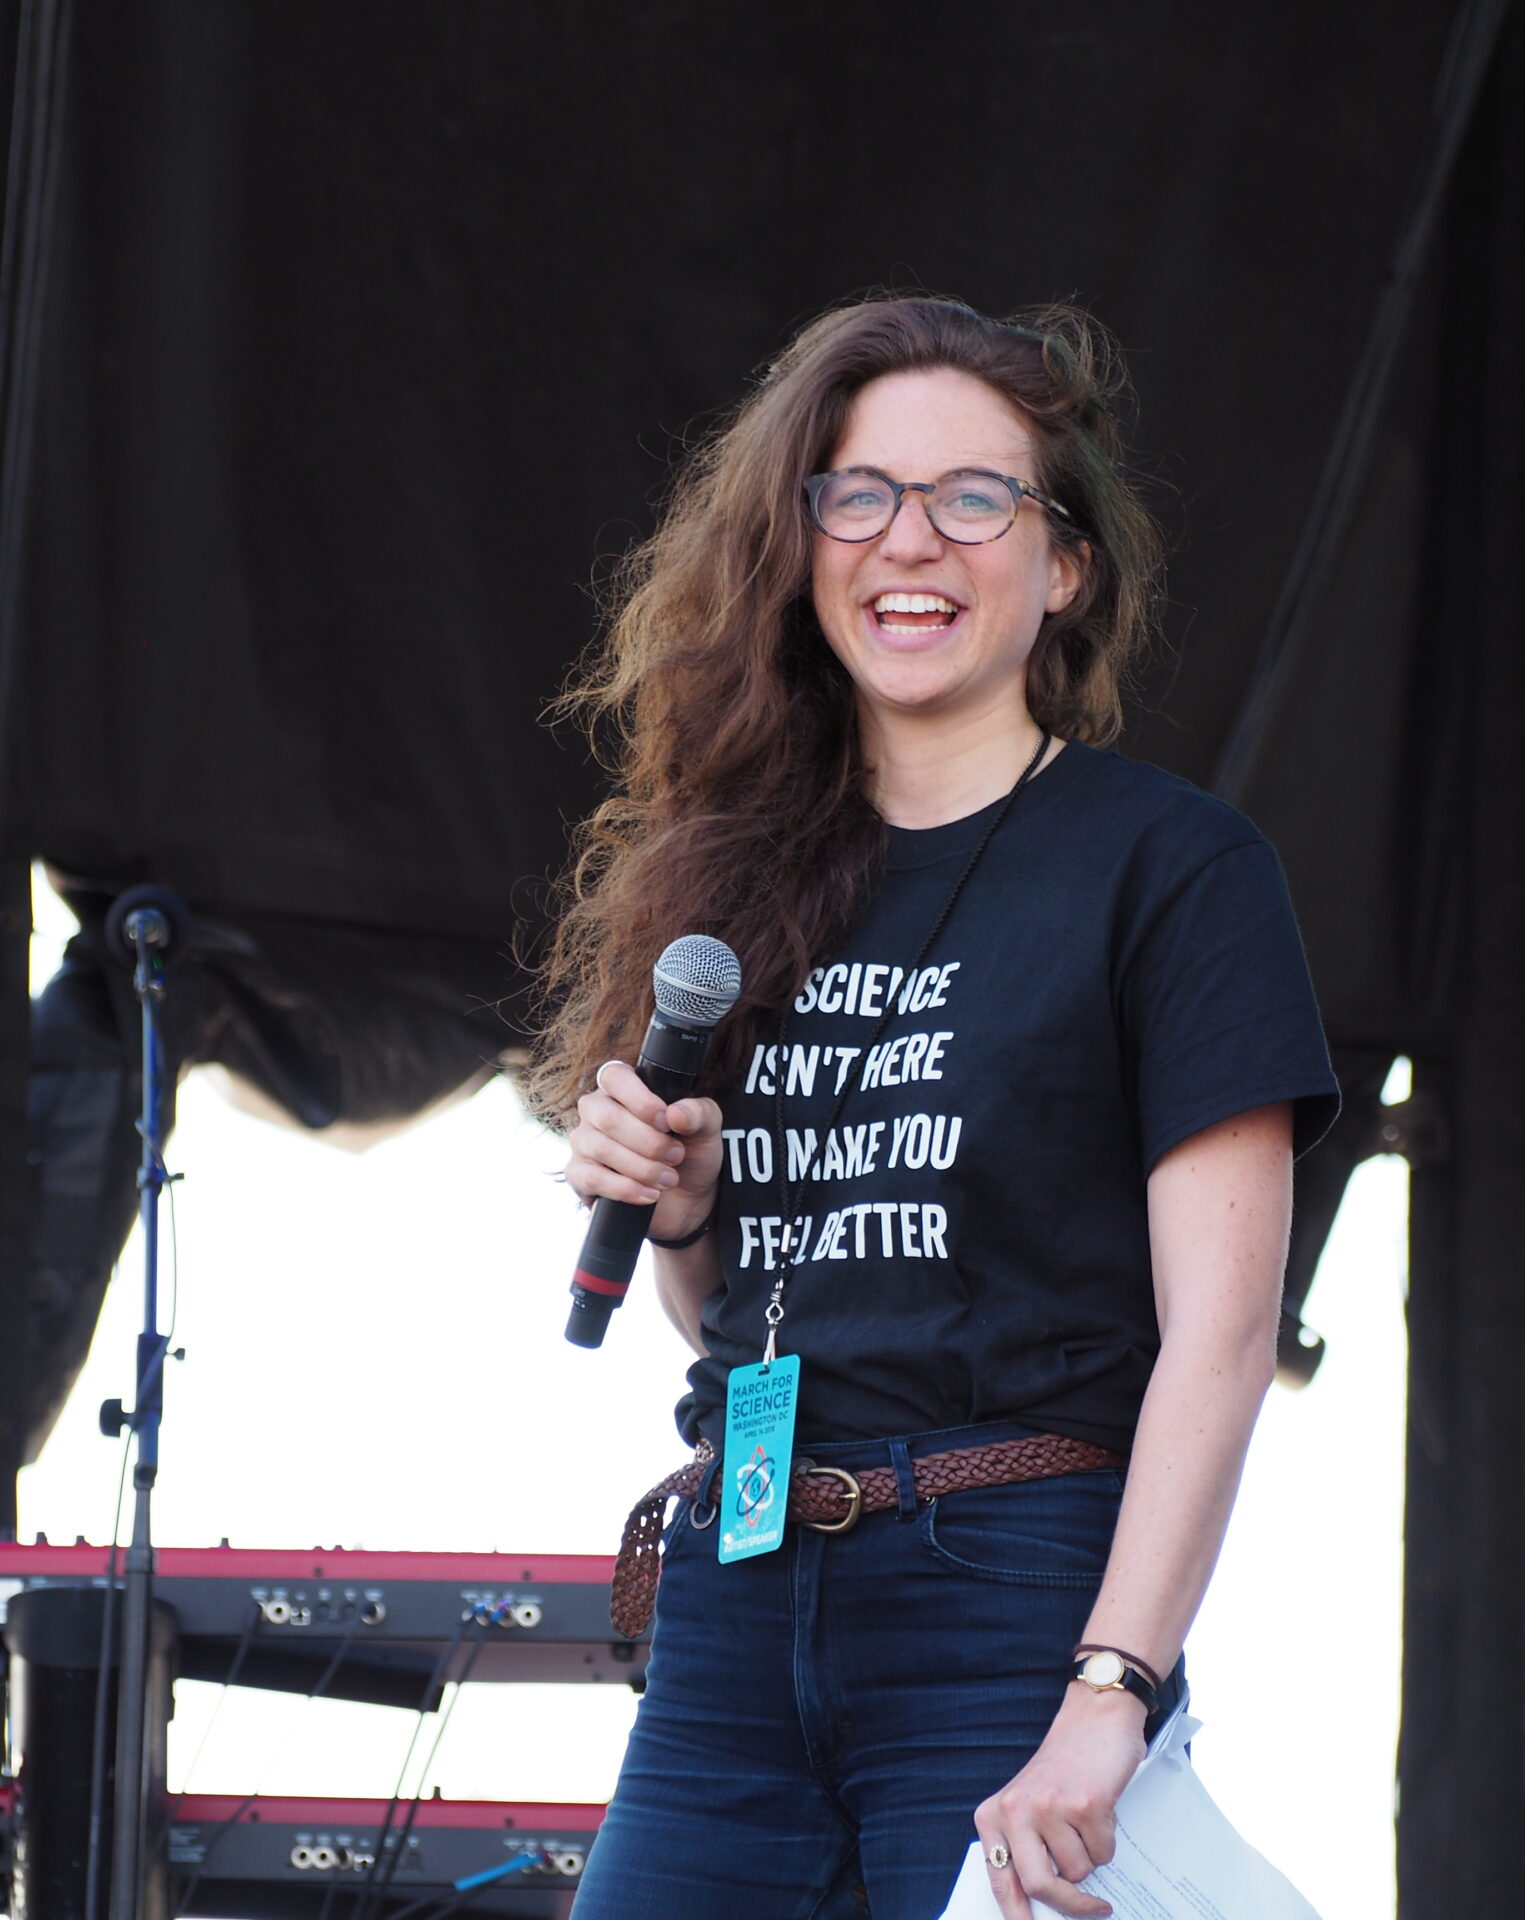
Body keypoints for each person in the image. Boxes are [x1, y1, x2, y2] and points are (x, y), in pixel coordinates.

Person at [532, 295, 1338, 1920]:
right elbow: (741, 1319)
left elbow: (1223, 1336)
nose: (914, 539)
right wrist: (685, 1215)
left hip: (1012, 1582)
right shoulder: (732, 873)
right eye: (860, 492)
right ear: (800, 538)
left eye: (977, 498)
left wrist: (1110, 1694)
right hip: (742, 1582)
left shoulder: (1171, 869)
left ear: (1066, 567)